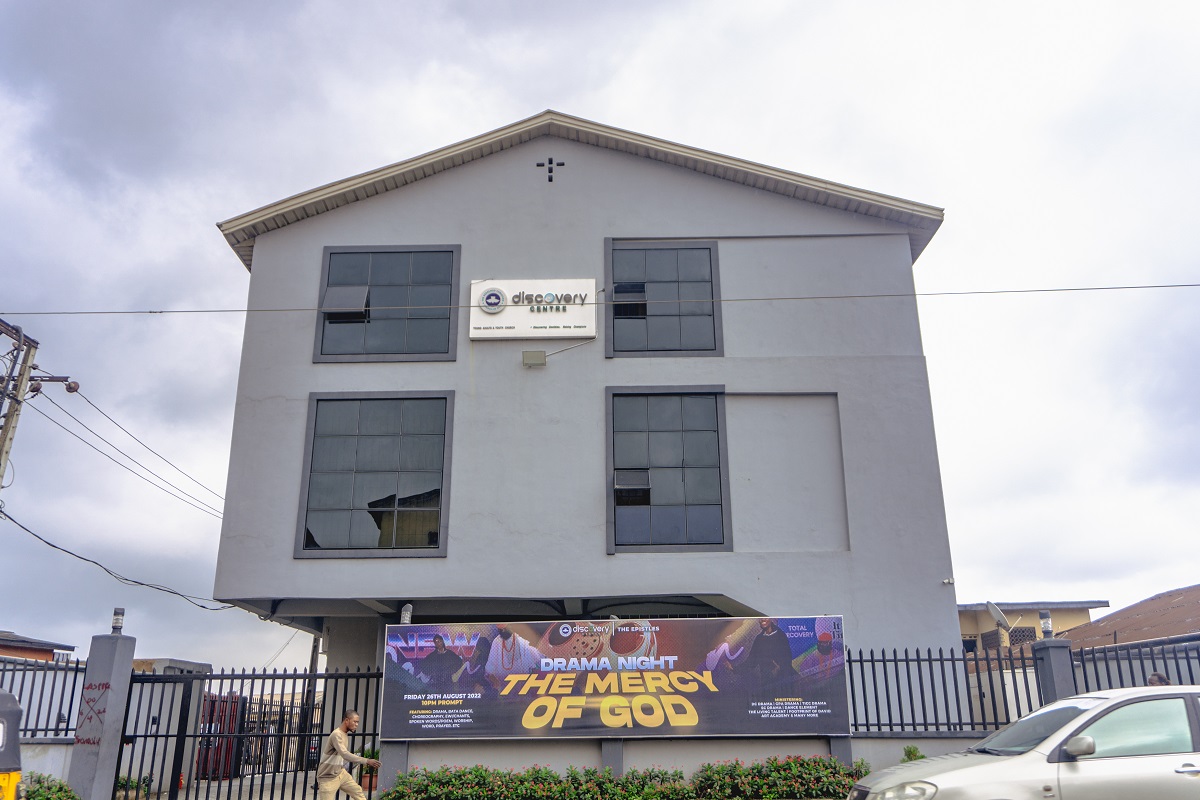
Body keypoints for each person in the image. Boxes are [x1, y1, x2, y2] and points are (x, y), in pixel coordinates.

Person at [316, 709, 381, 800]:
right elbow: (345, 754)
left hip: (340, 773)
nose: (356, 725)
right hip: (327, 777)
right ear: (346, 720)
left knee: (357, 791)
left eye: (357, 722)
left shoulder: (344, 734)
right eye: (355, 722)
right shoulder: (336, 734)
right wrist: (366, 761)